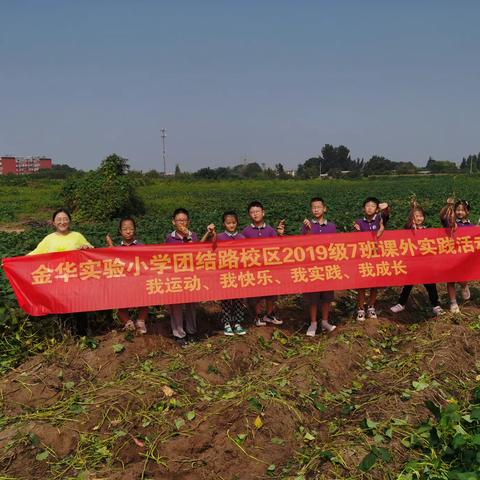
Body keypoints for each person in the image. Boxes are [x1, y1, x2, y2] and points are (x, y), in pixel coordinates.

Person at [29, 208, 93, 335]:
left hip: (76, 281)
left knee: (79, 308)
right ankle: (66, 336)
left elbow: (91, 251)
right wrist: (12, 262)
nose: (62, 222)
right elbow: (34, 254)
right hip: (57, 282)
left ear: (69, 221)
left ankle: (83, 336)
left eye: (65, 219)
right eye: (59, 219)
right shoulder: (49, 239)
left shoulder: (77, 236)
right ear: (53, 222)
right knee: (61, 309)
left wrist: (86, 248)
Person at [390, 202, 445, 316]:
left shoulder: (427, 230)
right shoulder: (408, 229)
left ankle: (436, 305)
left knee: (430, 284)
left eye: (421, 216)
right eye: (416, 216)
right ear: (412, 218)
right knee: (408, 284)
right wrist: (412, 218)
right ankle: (401, 304)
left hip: (425, 263)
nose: (419, 218)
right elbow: (406, 230)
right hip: (413, 262)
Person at [241, 201, 285, 327]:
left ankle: (269, 314)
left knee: (271, 292)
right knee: (255, 293)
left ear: (263, 213)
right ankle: (258, 315)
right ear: (249, 215)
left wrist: (280, 235)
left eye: (257, 211)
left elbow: (277, 247)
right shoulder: (246, 231)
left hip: (268, 267)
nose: (255, 214)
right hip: (253, 267)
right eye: (252, 212)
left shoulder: (270, 230)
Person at [205, 211, 248, 336]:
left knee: (239, 299)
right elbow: (207, 247)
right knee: (226, 300)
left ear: (237, 223)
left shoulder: (241, 238)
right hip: (224, 274)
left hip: (238, 274)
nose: (231, 225)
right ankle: (227, 323)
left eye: (233, 222)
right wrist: (210, 234)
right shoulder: (218, 237)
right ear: (224, 224)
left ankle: (238, 323)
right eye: (228, 223)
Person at [105, 217, 149, 334]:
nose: (128, 231)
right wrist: (110, 247)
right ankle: (128, 323)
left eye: (131, 228)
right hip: (123, 284)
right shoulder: (117, 248)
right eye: (125, 229)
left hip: (138, 282)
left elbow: (148, 261)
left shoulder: (141, 246)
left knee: (145, 303)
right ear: (120, 231)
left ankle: (140, 322)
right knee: (120, 307)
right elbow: (111, 262)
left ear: (135, 230)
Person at [301, 197, 337, 336]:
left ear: (324, 208)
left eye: (319, 207)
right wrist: (309, 230)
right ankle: (313, 322)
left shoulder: (331, 226)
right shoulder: (306, 225)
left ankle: (325, 321)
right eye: (313, 207)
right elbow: (304, 244)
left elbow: (335, 245)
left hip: (327, 266)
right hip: (312, 266)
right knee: (313, 296)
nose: (316, 209)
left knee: (327, 295)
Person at [165, 208, 199, 347]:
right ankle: (179, 334)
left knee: (191, 305)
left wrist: (188, 237)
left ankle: (192, 332)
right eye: (179, 220)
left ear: (188, 222)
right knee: (176, 306)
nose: (182, 223)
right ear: (173, 222)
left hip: (190, 276)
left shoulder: (193, 236)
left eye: (184, 220)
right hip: (176, 276)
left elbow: (197, 253)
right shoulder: (169, 238)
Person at [353, 197, 389, 321]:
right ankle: (360, 309)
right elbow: (356, 240)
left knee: (374, 284)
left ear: (377, 209)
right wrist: (356, 232)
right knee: (362, 285)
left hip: (377, 256)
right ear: (364, 208)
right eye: (367, 205)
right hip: (363, 257)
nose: (369, 208)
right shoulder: (359, 222)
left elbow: (386, 216)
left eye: (373, 206)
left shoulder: (379, 219)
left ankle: (371, 307)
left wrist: (386, 209)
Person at [440, 198, 474, 313]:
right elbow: (442, 215)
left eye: (462, 210)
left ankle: (464, 286)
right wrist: (448, 205)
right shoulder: (450, 222)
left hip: (464, 257)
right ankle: (453, 303)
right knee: (450, 280)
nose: (460, 212)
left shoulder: (471, 226)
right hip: (451, 255)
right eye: (457, 210)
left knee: (463, 278)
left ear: (467, 212)